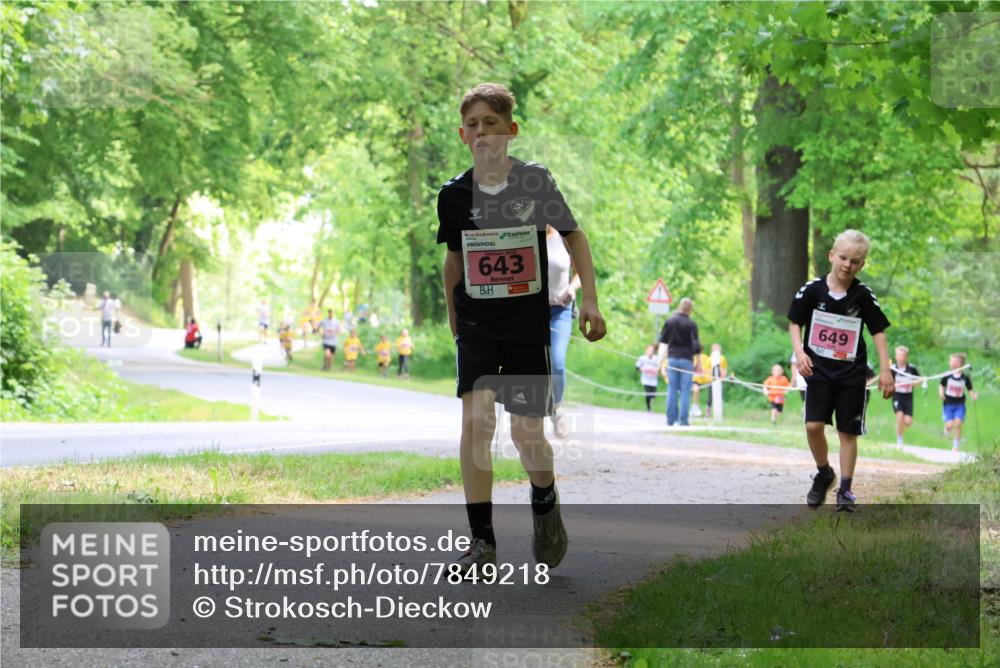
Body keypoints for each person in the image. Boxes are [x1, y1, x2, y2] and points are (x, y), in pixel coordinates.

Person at [437, 83, 606, 576]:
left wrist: (590, 299)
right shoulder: (453, 194)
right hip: (476, 321)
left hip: (527, 322)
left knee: (526, 430)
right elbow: (453, 259)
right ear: (462, 135)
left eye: (491, 123)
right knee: (476, 424)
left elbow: (574, 235)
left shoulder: (533, 183)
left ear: (511, 130)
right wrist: (453, 311)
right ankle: (481, 543)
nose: (482, 132)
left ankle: (545, 498)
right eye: (473, 125)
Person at [788, 229, 893, 512]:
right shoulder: (812, 290)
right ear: (831, 256)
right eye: (844, 258)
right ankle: (824, 472)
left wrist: (885, 369)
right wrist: (799, 352)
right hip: (818, 370)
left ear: (862, 264)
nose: (848, 264)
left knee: (848, 432)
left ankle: (845, 490)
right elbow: (795, 322)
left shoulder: (862, 295)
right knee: (813, 426)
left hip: (851, 375)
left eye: (855, 261)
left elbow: (879, 331)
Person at [546, 224, 581, 438]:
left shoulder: (564, 238)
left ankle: (557, 409)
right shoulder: (521, 236)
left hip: (560, 309)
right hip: (530, 311)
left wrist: (572, 288)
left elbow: (580, 272)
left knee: (557, 362)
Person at [657, 297, 701, 426]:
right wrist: (699, 362)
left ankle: (671, 419)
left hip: (672, 358)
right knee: (685, 390)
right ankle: (683, 420)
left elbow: (663, 343)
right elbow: (696, 345)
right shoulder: (691, 324)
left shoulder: (670, 321)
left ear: (679, 307)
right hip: (687, 359)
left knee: (672, 388)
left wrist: (660, 363)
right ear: (690, 310)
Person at [940, 353, 977, 453]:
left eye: (953, 361)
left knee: (958, 424)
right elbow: (941, 385)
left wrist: (973, 396)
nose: (951, 363)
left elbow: (970, 389)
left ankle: (956, 446)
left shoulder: (965, 378)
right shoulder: (947, 375)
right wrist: (941, 393)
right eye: (950, 361)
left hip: (960, 404)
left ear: (960, 364)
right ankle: (946, 430)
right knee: (950, 425)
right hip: (948, 404)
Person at [890, 346, 920, 447]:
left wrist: (912, 383)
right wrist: (893, 385)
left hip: (908, 398)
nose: (901, 357)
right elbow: (888, 383)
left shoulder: (911, 369)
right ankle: (899, 441)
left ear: (906, 357)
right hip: (897, 397)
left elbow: (919, 380)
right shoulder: (893, 369)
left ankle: (901, 430)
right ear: (896, 356)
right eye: (899, 355)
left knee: (907, 422)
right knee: (899, 418)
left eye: (903, 356)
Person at [706, 343, 730, 418]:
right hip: (711, 380)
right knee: (710, 396)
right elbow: (707, 370)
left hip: (720, 380)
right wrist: (709, 378)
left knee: (720, 395)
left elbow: (724, 368)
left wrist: (723, 375)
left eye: (718, 348)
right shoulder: (709, 359)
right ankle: (708, 411)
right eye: (715, 348)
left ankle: (720, 412)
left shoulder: (722, 358)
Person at [636, 344, 660, 412]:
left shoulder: (656, 358)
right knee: (648, 393)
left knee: (653, 394)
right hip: (645, 379)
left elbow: (659, 367)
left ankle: (651, 406)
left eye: (652, 350)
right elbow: (637, 367)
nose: (650, 351)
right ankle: (648, 408)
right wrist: (643, 369)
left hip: (653, 380)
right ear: (646, 351)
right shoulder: (642, 358)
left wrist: (656, 370)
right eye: (649, 350)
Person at [690, 350, 711, 418]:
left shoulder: (706, 357)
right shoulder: (692, 357)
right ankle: (695, 407)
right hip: (694, 378)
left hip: (703, 378)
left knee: (698, 391)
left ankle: (698, 408)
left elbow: (708, 367)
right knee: (696, 390)